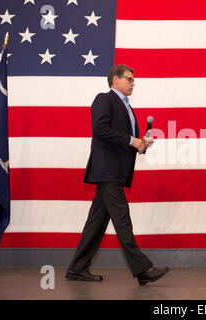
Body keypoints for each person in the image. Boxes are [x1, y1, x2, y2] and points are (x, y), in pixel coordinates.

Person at [65, 64, 169, 285]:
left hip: (115, 172)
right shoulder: (105, 99)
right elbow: (100, 129)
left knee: (96, 223)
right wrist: (133, 140)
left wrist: (140, 144)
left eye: (133, 79)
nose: (133, 83)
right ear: (115, 80)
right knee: (122, 220)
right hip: (108, 170)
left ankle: (77, 268)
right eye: (129, 79)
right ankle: (143, 270)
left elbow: (121, 137)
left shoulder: (127, 107)